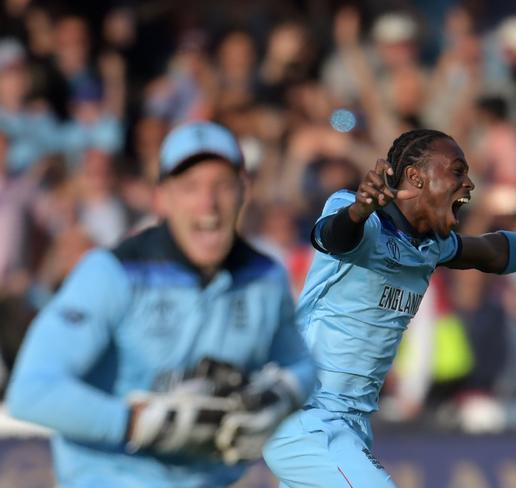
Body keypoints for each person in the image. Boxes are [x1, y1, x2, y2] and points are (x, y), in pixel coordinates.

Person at [263, 128, 516, 487]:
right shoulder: (359, 215)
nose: (469, 184)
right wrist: (359, 210)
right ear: (415, 177)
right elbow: (333, 236)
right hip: (308, 414)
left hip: (351, 424)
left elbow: (493, 251)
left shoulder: (431, 245)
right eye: (457, 171)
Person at [6, 121, 316, 487]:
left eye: (222, 185)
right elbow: (31, 392)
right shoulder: (111, 273)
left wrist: (282, 395)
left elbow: (305, 368)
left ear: (244, 190)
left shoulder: (265, 278)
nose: (208, 204)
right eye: (190, 187)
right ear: (161, 198)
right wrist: (137, 421)